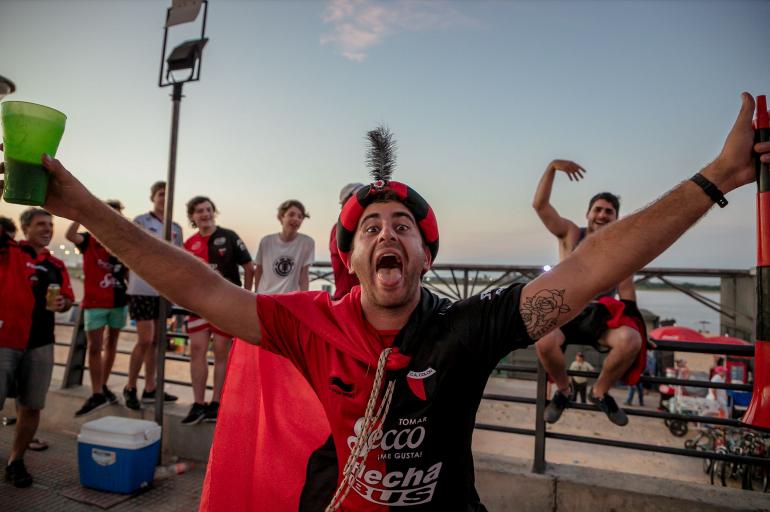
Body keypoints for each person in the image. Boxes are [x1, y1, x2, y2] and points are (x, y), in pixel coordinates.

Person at [8, 93, 765, 509]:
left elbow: (594, 264)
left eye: (403, 226)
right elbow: (199, 286)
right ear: (350, 260)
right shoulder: (309, 324)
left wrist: (718, 178)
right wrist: (82, 207)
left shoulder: (469, 327)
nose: (386, 233)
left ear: (425, 257)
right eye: (370, 228)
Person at [533, 160, 644, 426]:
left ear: (616, 218)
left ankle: (599, 392)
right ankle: (564, 390)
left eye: (609, 211)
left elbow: (628, 297)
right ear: (588, 213)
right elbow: (540, 206)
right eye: (598, 210)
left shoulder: (622, 252)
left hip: (598, 317)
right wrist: (552, 168)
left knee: (631, 340)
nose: (602, 215)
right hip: (567, 311)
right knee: (544, 341)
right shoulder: (571, 234)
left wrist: (641, 330)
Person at [1, 208, 73, 488]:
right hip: (5, 340)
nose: (48, 229)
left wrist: (64, 304)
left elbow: (68, 298)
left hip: (41, 343)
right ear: (25, 228)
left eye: (50, 225)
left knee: (31, 406)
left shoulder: (56, 264)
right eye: (41, 224)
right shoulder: (9, 251)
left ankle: (16, 461)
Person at [182, 196, 253, 425]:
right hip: (198, 305)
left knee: (221, 352)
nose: (205, 214)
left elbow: (249, 267)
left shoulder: (229, 236)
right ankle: (198, 403)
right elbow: (182, 275)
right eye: (199, 211)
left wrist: (245, 297)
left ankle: (216, 403)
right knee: (196, 351)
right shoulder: (189, 243)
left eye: (208, 209)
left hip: (225, 304)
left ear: (214, 212)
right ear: (192, 216)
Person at [123, 181, 182, 410]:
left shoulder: (175, 227)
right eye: (161, 194)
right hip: (142, 288)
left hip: (163, 290)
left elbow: (180, 258)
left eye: (168, 194)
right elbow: (129, 249)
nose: (164, 198)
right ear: (153, 197)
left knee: (157, 341)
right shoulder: (141, 221)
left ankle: (150, 387)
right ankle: (130, 386)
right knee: (145, 340)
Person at [66, 200, 129, 416]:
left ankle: (102, 386)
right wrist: (82, 213)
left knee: (112, 344)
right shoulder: (89, 239)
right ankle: (96, 392)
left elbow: (128, 272)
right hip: (95, 302)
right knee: (94, 346)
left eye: (116, 214)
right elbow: (70, 235)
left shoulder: (122, 243)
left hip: (119, 301)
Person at [253, 199, 314, 294]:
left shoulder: (307, 242)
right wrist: (256, 295)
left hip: (290, 299)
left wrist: (304, 298)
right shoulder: (266, 241)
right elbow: (258, 271)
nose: (296, 219)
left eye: (300, 217)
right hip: (265, 296)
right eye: (291, 214)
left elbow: (304, 276)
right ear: (281, 217)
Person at [330, 183, 363, 300]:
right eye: (357, 198)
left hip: (366, 299)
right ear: (345, 202)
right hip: (346, 298)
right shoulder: (339, 229)